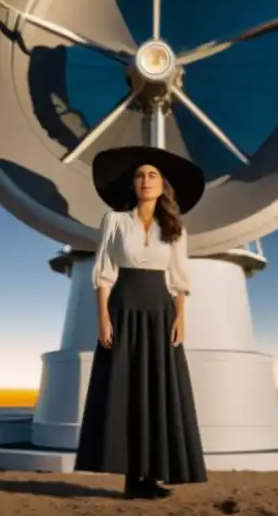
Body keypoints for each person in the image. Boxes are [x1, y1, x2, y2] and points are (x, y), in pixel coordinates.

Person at [73, 145, 208, 500]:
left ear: (163, 186)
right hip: (123, 309)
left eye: (153, 175)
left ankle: (151, 477)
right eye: (140, 175)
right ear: (132, 185)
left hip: (160, 312)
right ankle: (133, 479)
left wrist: (181, 317)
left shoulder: (176, 228)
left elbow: (179, 278)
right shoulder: (114, 221)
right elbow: (104, 272)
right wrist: (102, 317)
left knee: (157, 392)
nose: (146, 181)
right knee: (125, 390)